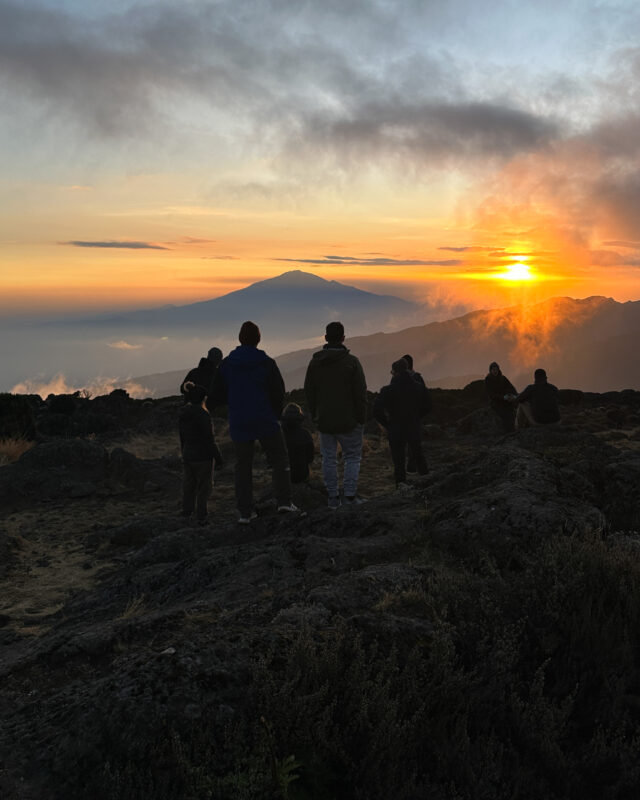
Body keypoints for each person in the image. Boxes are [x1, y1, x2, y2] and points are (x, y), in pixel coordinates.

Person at [211, 321, 297, 524]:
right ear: (258, 339)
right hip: (265, 418)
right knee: (279, 459)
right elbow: (278, 392)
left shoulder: (227, 365)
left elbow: (215, 396)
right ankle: (284, 502)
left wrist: (231, 409)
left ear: (240, 339)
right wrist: (275, 415)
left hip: (239, 420)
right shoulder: (266, 363)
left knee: (243, 466)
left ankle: (245, 512)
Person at [304, 321, 367, 509]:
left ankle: (332, 497)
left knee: (328, 458)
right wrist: (361, 418)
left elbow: (309, 391)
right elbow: (360, 393)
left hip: (324, 420)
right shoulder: (352, 362)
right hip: (349, 421)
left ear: (325, 338)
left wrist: (315, 414)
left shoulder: (316, 362)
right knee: (352, 457)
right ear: (343, 338)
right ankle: (349, 496)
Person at [374, 358, 430, 488]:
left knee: (398, 460)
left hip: (396, 428)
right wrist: (417, 417)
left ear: (395, 372)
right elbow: (428, 406)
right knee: (418, 454)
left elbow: (376, 410)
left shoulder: (387, 390)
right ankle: (427, 481)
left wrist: (388, 424)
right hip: (413, 426)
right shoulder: (419, 387)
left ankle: (400, 486)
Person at [179, 383, 217, 525]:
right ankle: (201, 514)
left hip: (188, 454)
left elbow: (182, 436)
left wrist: (184, 452)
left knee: (189, 486)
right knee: (204, 487)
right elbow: (209, 439)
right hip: (203, 457)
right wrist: (218, 457)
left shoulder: (184, 413)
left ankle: (186, 512)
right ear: (203, 398)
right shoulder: (203, 415)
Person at [402, 354, 427, 471]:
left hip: (401, 416)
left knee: (403, 441)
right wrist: (420, 414)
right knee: (415, 442)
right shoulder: (418, 378)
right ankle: (415, 466)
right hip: (415, 416)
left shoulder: (397, 378)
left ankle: (407, 466)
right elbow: (426, 399)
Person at [281, 402, 315, 483]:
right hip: (302, 475)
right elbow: (310, 458)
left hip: (283, 475)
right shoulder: (305, 434)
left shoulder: (279, 435)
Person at [485, 361, 517, 432]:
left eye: (496, 369)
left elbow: (512, 388)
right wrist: (503, 397)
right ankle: (507, 430)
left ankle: (513, 429)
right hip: (495, 401)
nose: (495, 371)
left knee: (511, 410)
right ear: (490, 371)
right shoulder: (488, 380)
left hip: (505, 399)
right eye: (493, 370)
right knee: (504, 414)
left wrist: (513, 395)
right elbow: (491, 394)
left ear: (498, 369)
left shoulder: (503, 378)